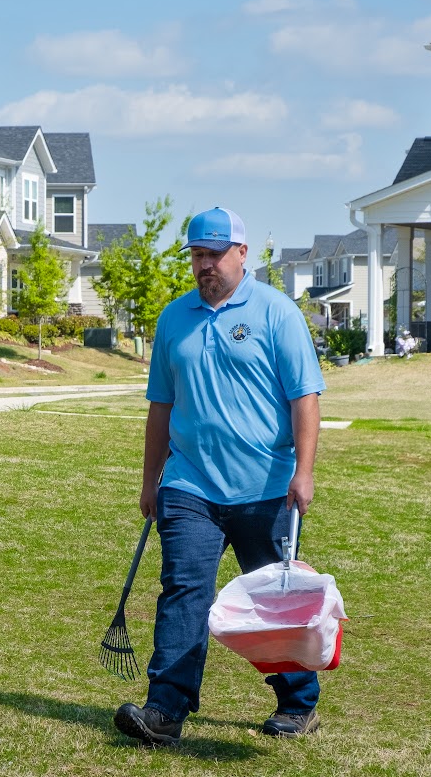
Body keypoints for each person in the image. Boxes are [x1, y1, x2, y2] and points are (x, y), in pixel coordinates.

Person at [114, 206, 327, 747]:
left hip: (266, 487)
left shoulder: (277, 313)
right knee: (184, 591)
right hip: (189, 486)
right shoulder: (173, 319)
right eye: (197, 255)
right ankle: (165, 709)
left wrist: (304, 472)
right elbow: (160, 405)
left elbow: (305, 396)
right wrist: (150, 481)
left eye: (214, 254)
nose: (205, 264)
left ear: (242, 254)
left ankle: (298, 703)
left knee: (275, 600)